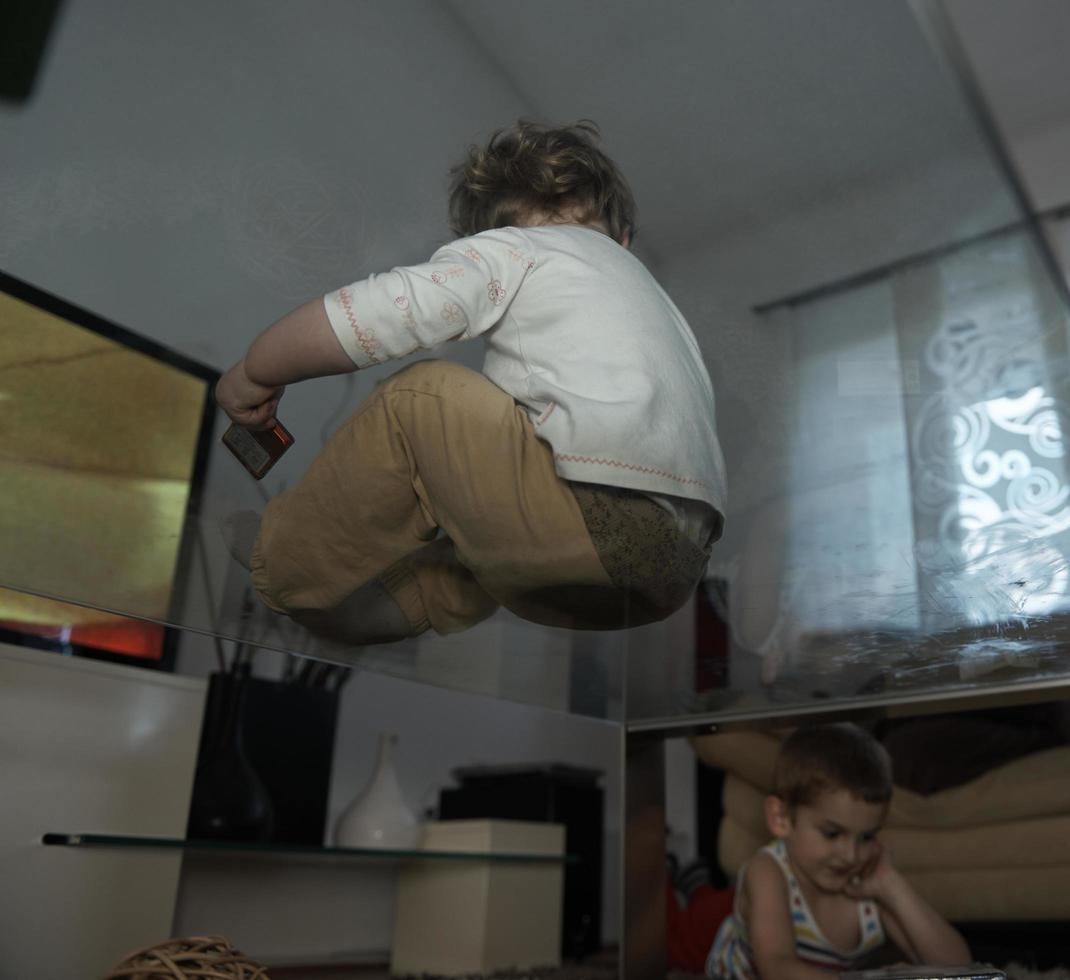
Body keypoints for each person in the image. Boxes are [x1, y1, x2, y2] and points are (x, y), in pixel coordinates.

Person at [215, 120, 726, 646]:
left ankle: (280, 564)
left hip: (591, 522)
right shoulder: (661, 310)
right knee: (481, 484)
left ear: (490, 237)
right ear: (623, 239)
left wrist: (257, 370)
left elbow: (388, 312)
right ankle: (397, 608)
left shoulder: (516, 249)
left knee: (422, 397)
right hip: (676, 566)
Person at [706, 723, 972, 979]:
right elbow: (777, 969)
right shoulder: (767, 871)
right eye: (832, 833)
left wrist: (892, 886)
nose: (851, 855)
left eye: (867, 837)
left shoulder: (865, 884)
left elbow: (960, 969)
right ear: (781, 818)